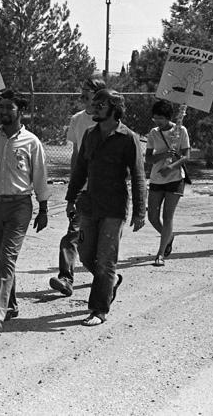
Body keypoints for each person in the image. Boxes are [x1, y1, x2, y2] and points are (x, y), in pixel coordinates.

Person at [65, 88, 145, 327]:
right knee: (86, 253)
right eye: (95, 103)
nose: (95, 107)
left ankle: (99, 309)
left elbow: (139, 176)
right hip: (89, 204)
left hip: (114, 207)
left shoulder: (128, 137)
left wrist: (141, 210)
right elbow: (80, 170)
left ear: (114, 109)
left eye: (101, 104)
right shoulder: (89, 134)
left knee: (105, 259)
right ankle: (110, 281)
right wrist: (71, 198)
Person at [0, 89, 49, 335]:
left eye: (9, 107)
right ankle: (10, 305)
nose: (3, 112)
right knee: (2, 259)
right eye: (1, 107)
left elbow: (40, 176)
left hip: (20, 206)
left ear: (20, 111)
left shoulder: (31, 142)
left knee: (7, 259)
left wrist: (43, 208)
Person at [49, 77, 105, 297]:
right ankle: (66, 278)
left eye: (88, 93)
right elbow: (75, 155)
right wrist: (73, 187)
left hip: (105, 189)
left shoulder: (108, 121)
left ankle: (105, 278)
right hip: (84, 189)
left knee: (97, 241)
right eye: (83, 92)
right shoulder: (77, 120)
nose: (83, 97)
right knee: (72, 234)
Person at [145, 100, 190, 267]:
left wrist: (171, 167)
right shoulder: (153, 133)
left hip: (175, 179)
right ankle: (169, 236)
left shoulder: (180, 130)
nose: (157, 122)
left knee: (167, 216)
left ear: (168, 118)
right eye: (155, 118)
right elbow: (148, 158)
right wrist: (163, 156)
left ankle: (160, 253)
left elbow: (186, 155)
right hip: (157, 178)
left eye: (161, 118)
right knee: (152, 217)